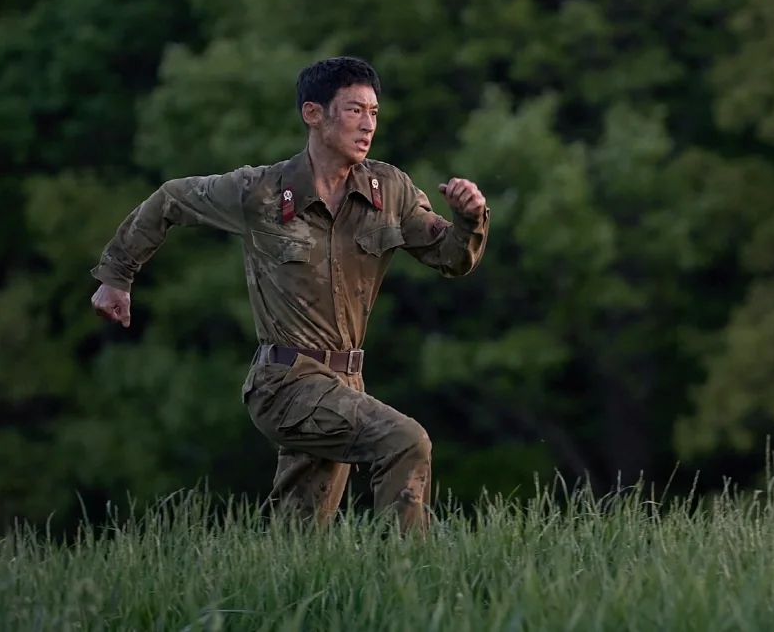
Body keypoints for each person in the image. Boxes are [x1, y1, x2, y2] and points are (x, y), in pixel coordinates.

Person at [88, 56, 489, 536]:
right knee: (406, 442)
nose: (368, 126)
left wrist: (469, 218)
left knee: (298, 537)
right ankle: (412, 582)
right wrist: (117, 276)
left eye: (374, 112)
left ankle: (275, 601)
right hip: (284, 384)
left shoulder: (392, 191)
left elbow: (452, 259)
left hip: (345, 387)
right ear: (313, 114)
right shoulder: (260, 192)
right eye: (354, 111)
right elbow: (172, 198)